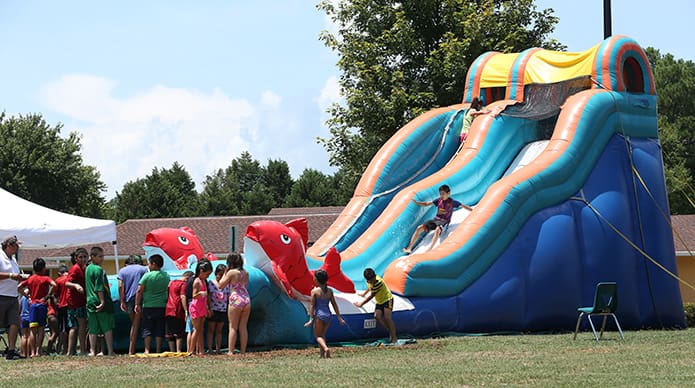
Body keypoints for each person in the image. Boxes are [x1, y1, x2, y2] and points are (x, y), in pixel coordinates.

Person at [402, 184, 469, 254]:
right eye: (440, 194)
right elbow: (426, 204)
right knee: (419, 228)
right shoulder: (439, 200)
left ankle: (430, 249)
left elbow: (463, 206)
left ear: (448, 193)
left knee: (437, 230)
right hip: (436, 220)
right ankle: (409, 248)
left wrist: (473, 210)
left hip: (444, 222)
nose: (441, 196)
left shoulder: (452, 202)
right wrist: (417, 203)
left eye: (443, 194)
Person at [17, 257, 56, 357]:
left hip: (33, 306)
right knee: (41, 329)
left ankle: (33, 352)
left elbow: (19, 286)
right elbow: (54, 285)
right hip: (42, 305)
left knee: (32, 330)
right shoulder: (45, 278)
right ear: (43, 268)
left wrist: (26, 296)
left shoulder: (31, 279)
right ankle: (38, 351)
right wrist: (47, 296)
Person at [304, 269, 346, 358]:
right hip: (328, 316)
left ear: (317, 280)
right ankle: (322, 355)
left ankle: (326, 349)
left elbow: (312, 306)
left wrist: (311, 320)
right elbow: (334, 304)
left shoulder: (314, 291)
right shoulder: (330, 291)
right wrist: (339, 317)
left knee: (317, 336)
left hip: (320, 315)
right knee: (322, 335)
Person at [134, 254, 170, 354]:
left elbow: (139, 290)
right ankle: (158, 349)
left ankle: (147, 350)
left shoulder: (147, 276)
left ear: (154, 264)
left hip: (148, 306)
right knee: (159, 328)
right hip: (162, 305)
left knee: (147, 328)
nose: (148, 265)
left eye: (149, 263)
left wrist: (137, 304)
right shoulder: (166, 276)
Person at [0, 235, 27, 360]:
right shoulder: (0, 257)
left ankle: (11, 350)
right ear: (9, 246)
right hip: (1, 295)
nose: (18, 248)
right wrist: (11, 275)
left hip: (13, 295)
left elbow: (16, 275)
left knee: (14, 323)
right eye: (16, 245)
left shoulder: (14, 259)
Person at [84, 246, 115, 356]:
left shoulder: (87, 268)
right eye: (100, 256)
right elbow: (99, 287)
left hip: (90, 300)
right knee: (107, 326)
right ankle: (110, 351)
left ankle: (92, 351)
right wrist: (102, 301)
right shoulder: (98, 270)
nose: (102, 259)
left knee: (93, 327)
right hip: (98, 300)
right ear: (93, 257)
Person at [218, 253, 251, 355]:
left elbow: (221, 285)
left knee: (232, 326)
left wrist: (225, 272)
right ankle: (243, 351)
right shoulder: (245, 272)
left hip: (235, 299)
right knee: (243, 326)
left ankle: (230, 350)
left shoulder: (231, 272)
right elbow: (245, 285)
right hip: (246, 298)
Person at [354, 268, 397, 343]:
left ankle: (394, 337)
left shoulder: (378, 282)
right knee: (377, 316)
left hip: (387, 299)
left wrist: (361, 304)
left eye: (372, 280)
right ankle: (389, 331)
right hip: (380, 301)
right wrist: (364, 294)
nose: (371, 282)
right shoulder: (369, 280)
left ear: (374, 276)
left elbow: (372, 295)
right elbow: (370, 287)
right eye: (369, 281)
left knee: (387, 317)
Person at [118, 254, 148, 355]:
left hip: (128, 299)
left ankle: (132, 348)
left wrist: (122, 300)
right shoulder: (143, 269)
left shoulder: (122, 270)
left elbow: (120, 286)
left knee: (135, 323)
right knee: (136, 324)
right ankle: (132, 349)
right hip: (140, 299)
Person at [65, 247, 89, 356]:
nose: (83, 259)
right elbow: (67, 283)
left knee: (75, 327)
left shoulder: (84, 268)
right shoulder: (75, 268)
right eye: (80, 257)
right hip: (75, 302)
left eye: (85, 257)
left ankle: (71, 351)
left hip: (79, 301)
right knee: (81, 325)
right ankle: (82, 350)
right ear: (76, 258)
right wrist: (76, 285)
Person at [165, 270, 193, 353]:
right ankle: (178, 350)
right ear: (187, 278)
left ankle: (172, 351)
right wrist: (185, 310)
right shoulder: (183, 284)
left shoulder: (171, 282)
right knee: (179, 331)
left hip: (168, 308)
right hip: (177, 309)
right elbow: (183, 297)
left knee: (169, 332)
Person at [189, 260, 212, 355]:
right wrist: (201, 293)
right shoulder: (197, 281)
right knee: (196, 329)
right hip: (195, 307)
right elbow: (193, 295)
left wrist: (207, 307)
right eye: (207, 274)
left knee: (201, 329)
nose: (208, 276)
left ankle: (201, 350)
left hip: (202, 307)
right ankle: (191, 351)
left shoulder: (203, 281)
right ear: (201, 271)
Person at [206, 264, 230, 354]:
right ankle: (210, 348)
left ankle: (218, 348)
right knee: (211, 329)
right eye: (219, 274)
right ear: (216, 273)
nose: (220, 277)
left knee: (219, 330)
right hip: (213, 309)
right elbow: (208, 296)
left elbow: (228, 295)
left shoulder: (226, 285)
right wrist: (209, 308)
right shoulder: (211, 283)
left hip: (222, 309)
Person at [53, 264, 70, 355]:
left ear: (59, 273)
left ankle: (64, 349)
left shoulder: (58, 280)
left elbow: (55, 295)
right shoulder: (71, 278)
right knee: (71, 328)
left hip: (62, 306)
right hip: (72, 305)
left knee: (62, 329)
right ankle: (71, 348)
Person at [18, 291, 30, 358]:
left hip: (23, 317)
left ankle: (23, 353)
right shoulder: (30, 298)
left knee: (23, 336)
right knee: (29, 335)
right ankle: (28, 353)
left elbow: (19, 309)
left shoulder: (22, 298)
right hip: (30, 317)